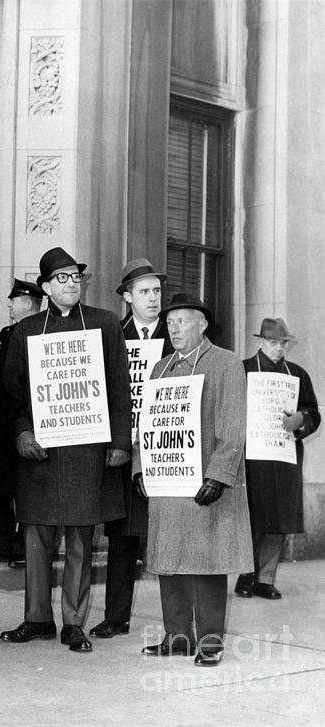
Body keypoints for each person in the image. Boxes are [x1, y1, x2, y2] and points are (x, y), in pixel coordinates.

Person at [0, 247, 131, 654]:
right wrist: (22, 433)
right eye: (62, 278)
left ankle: (74, 623)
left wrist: (121, 442)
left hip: (87, 452)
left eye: (76, 277)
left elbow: (118, 387)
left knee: (79, 539)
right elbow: (12, 393)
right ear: (45, 287)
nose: (71, 283)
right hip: (41, 454)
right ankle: (36, 618)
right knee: (36, 539)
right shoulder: (26, 330)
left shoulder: (105, 324)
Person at [135, 293, 252, 666]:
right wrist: (141, 467)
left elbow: (233, 428)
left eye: (182, 322)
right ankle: (178, 635)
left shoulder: (226, 364)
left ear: (202, 325)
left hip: (205, 481)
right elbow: (147, 424)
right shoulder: (160, 368)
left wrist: (218, 476)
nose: (174, 329)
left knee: (206, 563)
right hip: (169, 481)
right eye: (170, 324)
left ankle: (211, 640)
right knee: (169, 562)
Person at [90, 259, 173, 639]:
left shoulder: (177, 336)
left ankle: (178, 621)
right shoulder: (111, 335)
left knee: (173, 534)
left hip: (169, 452)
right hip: (124, 452)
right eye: (145, 291)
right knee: (122, 538)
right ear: (127, 297)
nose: (153, 299)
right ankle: (116, 617)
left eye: (157, 291)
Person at [235, 317, 319, 600]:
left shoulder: (297, 374)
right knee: (252, 516)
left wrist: (302, 419)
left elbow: (314, 414)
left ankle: (265, 579)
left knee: (278, 519)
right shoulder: (243, 370)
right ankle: (246, 574)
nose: (279, 348)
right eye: (273, 342)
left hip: (284, 456)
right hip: (251, 456)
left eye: (283, 343)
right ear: (260, 342)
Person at [0, 278, 44, 568]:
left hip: (28, 420)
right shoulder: (8, 332)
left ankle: (24, 548)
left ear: (26, 302)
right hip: (1, 423)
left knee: (25, 490)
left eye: (13, 301)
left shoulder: (40, 330)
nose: (10, 306)